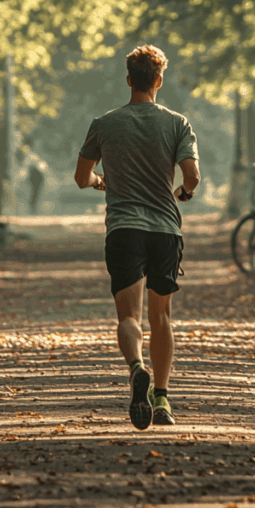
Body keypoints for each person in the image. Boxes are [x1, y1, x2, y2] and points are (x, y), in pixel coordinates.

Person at [74, 45, 200, 430]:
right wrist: (183, 193)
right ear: (158, 80)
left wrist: (101, 182)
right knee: (161, 316)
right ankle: (162, 399)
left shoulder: (105, 123)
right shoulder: (177, 123)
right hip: (164, 231)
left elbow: (81, 178)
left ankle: (136, 367)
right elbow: (192, 176)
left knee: (129, 316)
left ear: (129, 80)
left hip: (124, 230)